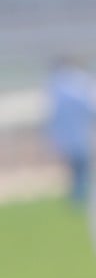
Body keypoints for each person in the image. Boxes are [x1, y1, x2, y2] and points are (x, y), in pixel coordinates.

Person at [46, 55, 95, 208]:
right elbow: (89, 107)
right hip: (79, 139)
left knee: (78, 171)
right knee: (80, 171)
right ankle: (79, 200)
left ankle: (78, 199)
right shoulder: (75, 84)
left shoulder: (59, 86)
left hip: (73, 139)